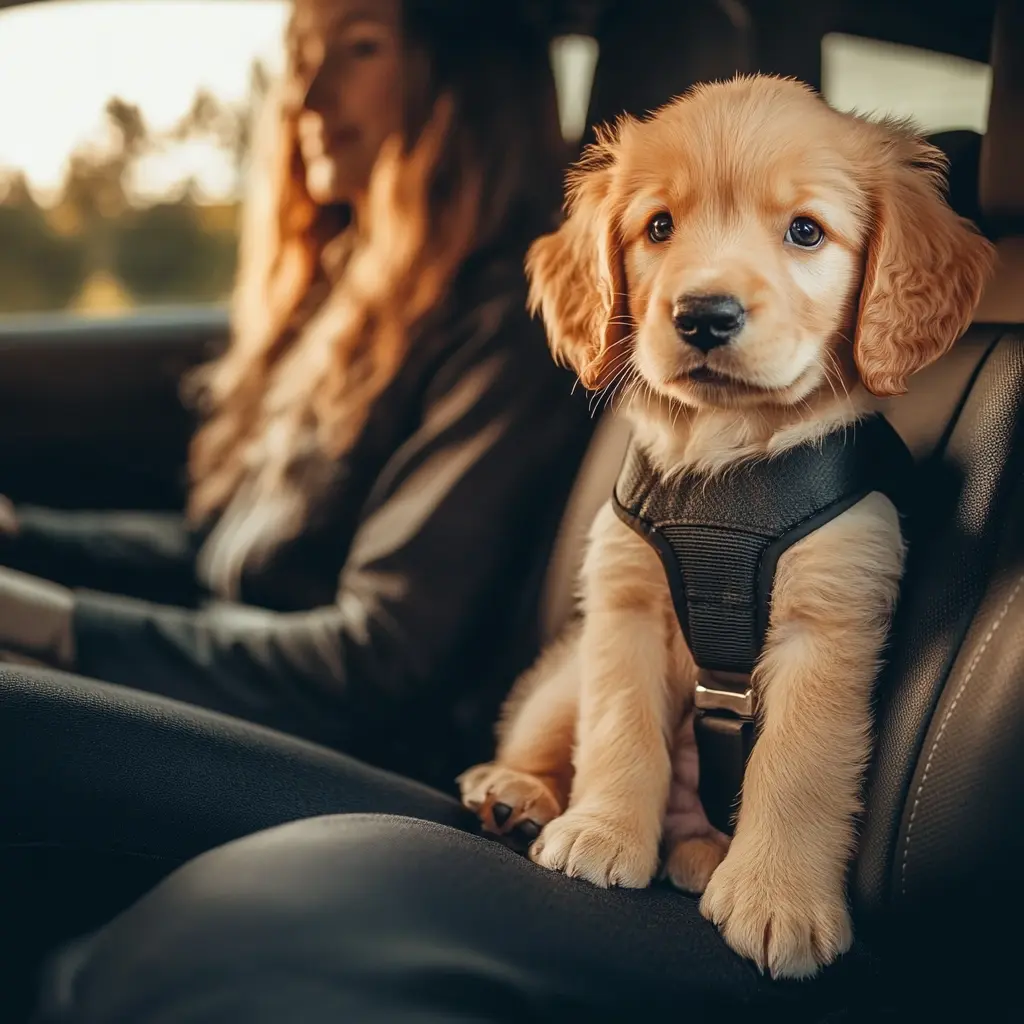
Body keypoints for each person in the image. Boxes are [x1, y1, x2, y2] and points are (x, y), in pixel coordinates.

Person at [0, 0, 591, 788]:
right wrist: (18, 537)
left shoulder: (506, 325)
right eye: (301, 56)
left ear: (462, 79)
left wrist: (52, 625)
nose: (308, 96)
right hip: (244, 699)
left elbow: (379, 658)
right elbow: (227, 556)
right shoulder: (362, 289)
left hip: (338, 768)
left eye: (358, 49)